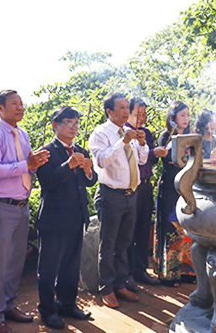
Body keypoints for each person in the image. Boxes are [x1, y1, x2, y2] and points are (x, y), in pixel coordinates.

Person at [0, 90, 49, 333]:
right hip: (1, 205)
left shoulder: (23, 134)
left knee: (16, 260)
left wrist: (35, 162)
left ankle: (8, 304)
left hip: (21, 205)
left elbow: (26, 167)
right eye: (14, 104)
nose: (20, 108)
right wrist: (26, 165)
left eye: (21, 104)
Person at [36, 106, 97, 329]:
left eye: (76, 124)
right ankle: (47, 309)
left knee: (71, 266)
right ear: (56, 125)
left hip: (76, 217)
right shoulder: (46, 151)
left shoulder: (81, 150)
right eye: (68, 123)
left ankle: (68, 304)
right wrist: (68, 165)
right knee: (49, 268)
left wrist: (89, 171)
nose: (73, 128)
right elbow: (47, 182)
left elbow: (90, 181)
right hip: (53, 219)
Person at [89, 93, 149, 309]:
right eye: (122, 108)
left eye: (127, 108)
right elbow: (102, 161)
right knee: (109, 244)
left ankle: (121, 283)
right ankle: (107, 288)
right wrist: (122, 142)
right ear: (109, 111)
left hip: (131, 194)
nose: (126, 112)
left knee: (124, 242)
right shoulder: (101, 133)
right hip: (111, 196)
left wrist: (141, 144)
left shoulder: (128, 132)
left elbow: (142, 160)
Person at [125, 98, 166, 287]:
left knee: (143, 228)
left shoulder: (146, 133)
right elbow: (134, 160)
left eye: (144, 114)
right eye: (137, 114)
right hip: (131, 186)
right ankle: (126, 274)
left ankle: (141, 270)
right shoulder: (123, 133)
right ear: (128, 113)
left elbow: (152, 162)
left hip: (146, 185)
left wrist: (155, 154)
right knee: (129, 231)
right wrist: (152, 153)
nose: (141, 118)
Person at [154, 101, 193, 285]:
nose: (186, 118)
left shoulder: (191, 136)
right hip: (170, 186)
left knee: (187, 227)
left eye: (187, 115)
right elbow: (169, 160)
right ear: (173, 117)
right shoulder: (165, 136)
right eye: (182, 115)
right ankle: (168, 273)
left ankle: (186, 270)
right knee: (171, 227)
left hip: (187, 186)